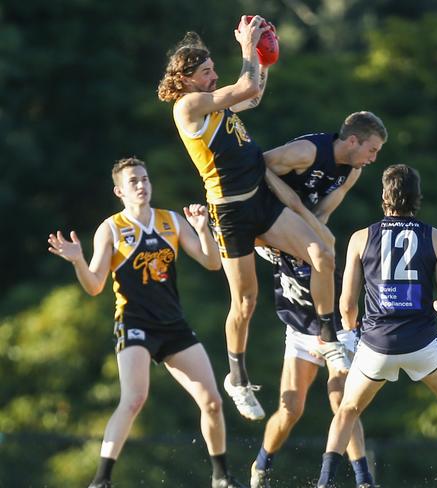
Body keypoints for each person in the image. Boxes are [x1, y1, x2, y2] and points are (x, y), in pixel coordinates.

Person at [157, 21, 348, 421]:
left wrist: (263, 59)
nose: (213, 75)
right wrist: (246, 47)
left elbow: (253, 94)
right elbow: (243, 87)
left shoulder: (213, 99)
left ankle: (328, 335)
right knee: (245, 302)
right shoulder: (188, 106)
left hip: (260, 198)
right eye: (206, 71)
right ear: (186, 80)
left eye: (213, 68)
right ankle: (238, 378)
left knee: (323, 254)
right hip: (230, 213)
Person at [47, 158, 244, 488]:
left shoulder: (171, 221)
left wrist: (202, 230)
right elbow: (95, 285)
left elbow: (211, 262)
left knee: (212, 401)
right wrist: (78, 259)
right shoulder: (111, 228)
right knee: (134, 399)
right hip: (134, 323)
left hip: (173, 325)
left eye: (145, 179)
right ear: (119, 191)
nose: (141, 185)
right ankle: (101, 479)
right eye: (134, 181)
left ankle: (221, 476)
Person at [316, 164, 437, 488]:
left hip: (376, 345)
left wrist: (351, 335)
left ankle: (324, 481)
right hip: (422, 344)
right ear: (417, 197)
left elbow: (347, 303)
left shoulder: (361, 238)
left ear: (384, 196)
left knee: (347, 409)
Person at [250, 247, 375, 488]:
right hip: (301, 330)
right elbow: (250, 227)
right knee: (291, 409)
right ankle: (261, 465)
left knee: (341, 400)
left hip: (337, 329)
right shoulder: (279, 240)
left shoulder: (324, 246)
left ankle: (364, 479)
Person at [264, 111, 387, 227]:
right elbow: (256, 163)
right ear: (352, 141)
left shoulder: (352, 172)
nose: (373, 159)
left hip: (291, 224)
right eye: (372, 150)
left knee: (325, 244)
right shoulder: (306, 152)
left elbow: (321, 216)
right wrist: (293, 204)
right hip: (259, 213)